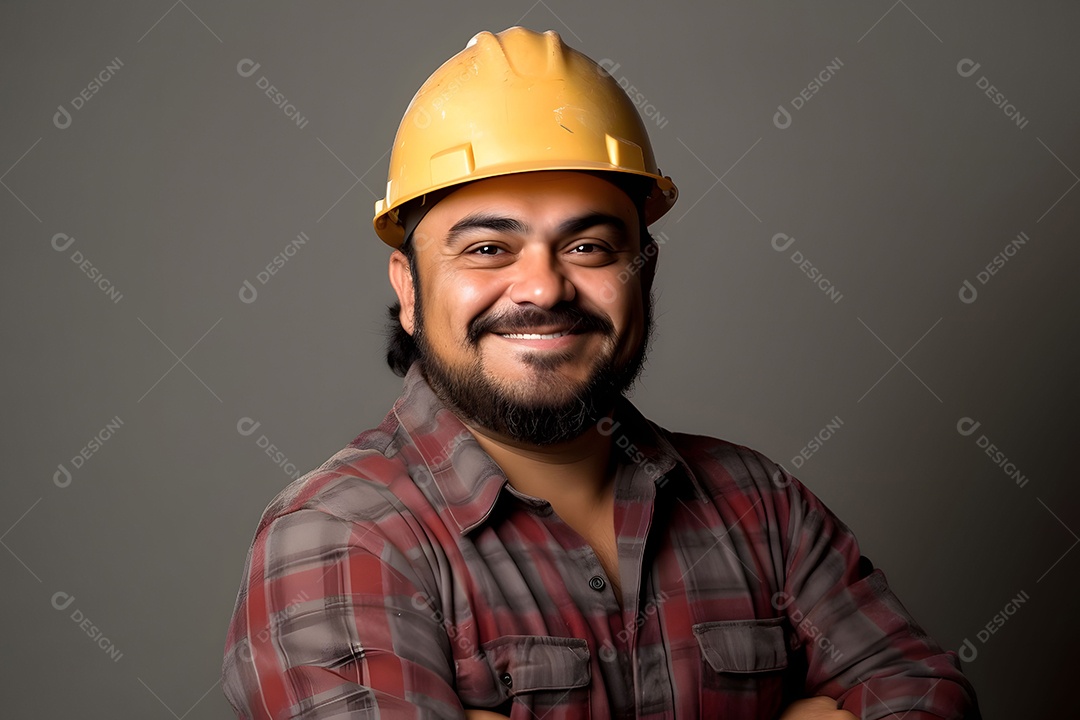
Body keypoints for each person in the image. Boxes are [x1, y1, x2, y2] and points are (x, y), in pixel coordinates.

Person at [221, 26, 980, 719]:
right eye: (488, 248)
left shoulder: (761, 509)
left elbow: (927, 696)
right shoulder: (343, 538)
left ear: (643, 277)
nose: (544, 288)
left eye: (588, 247)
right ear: (410, 289)